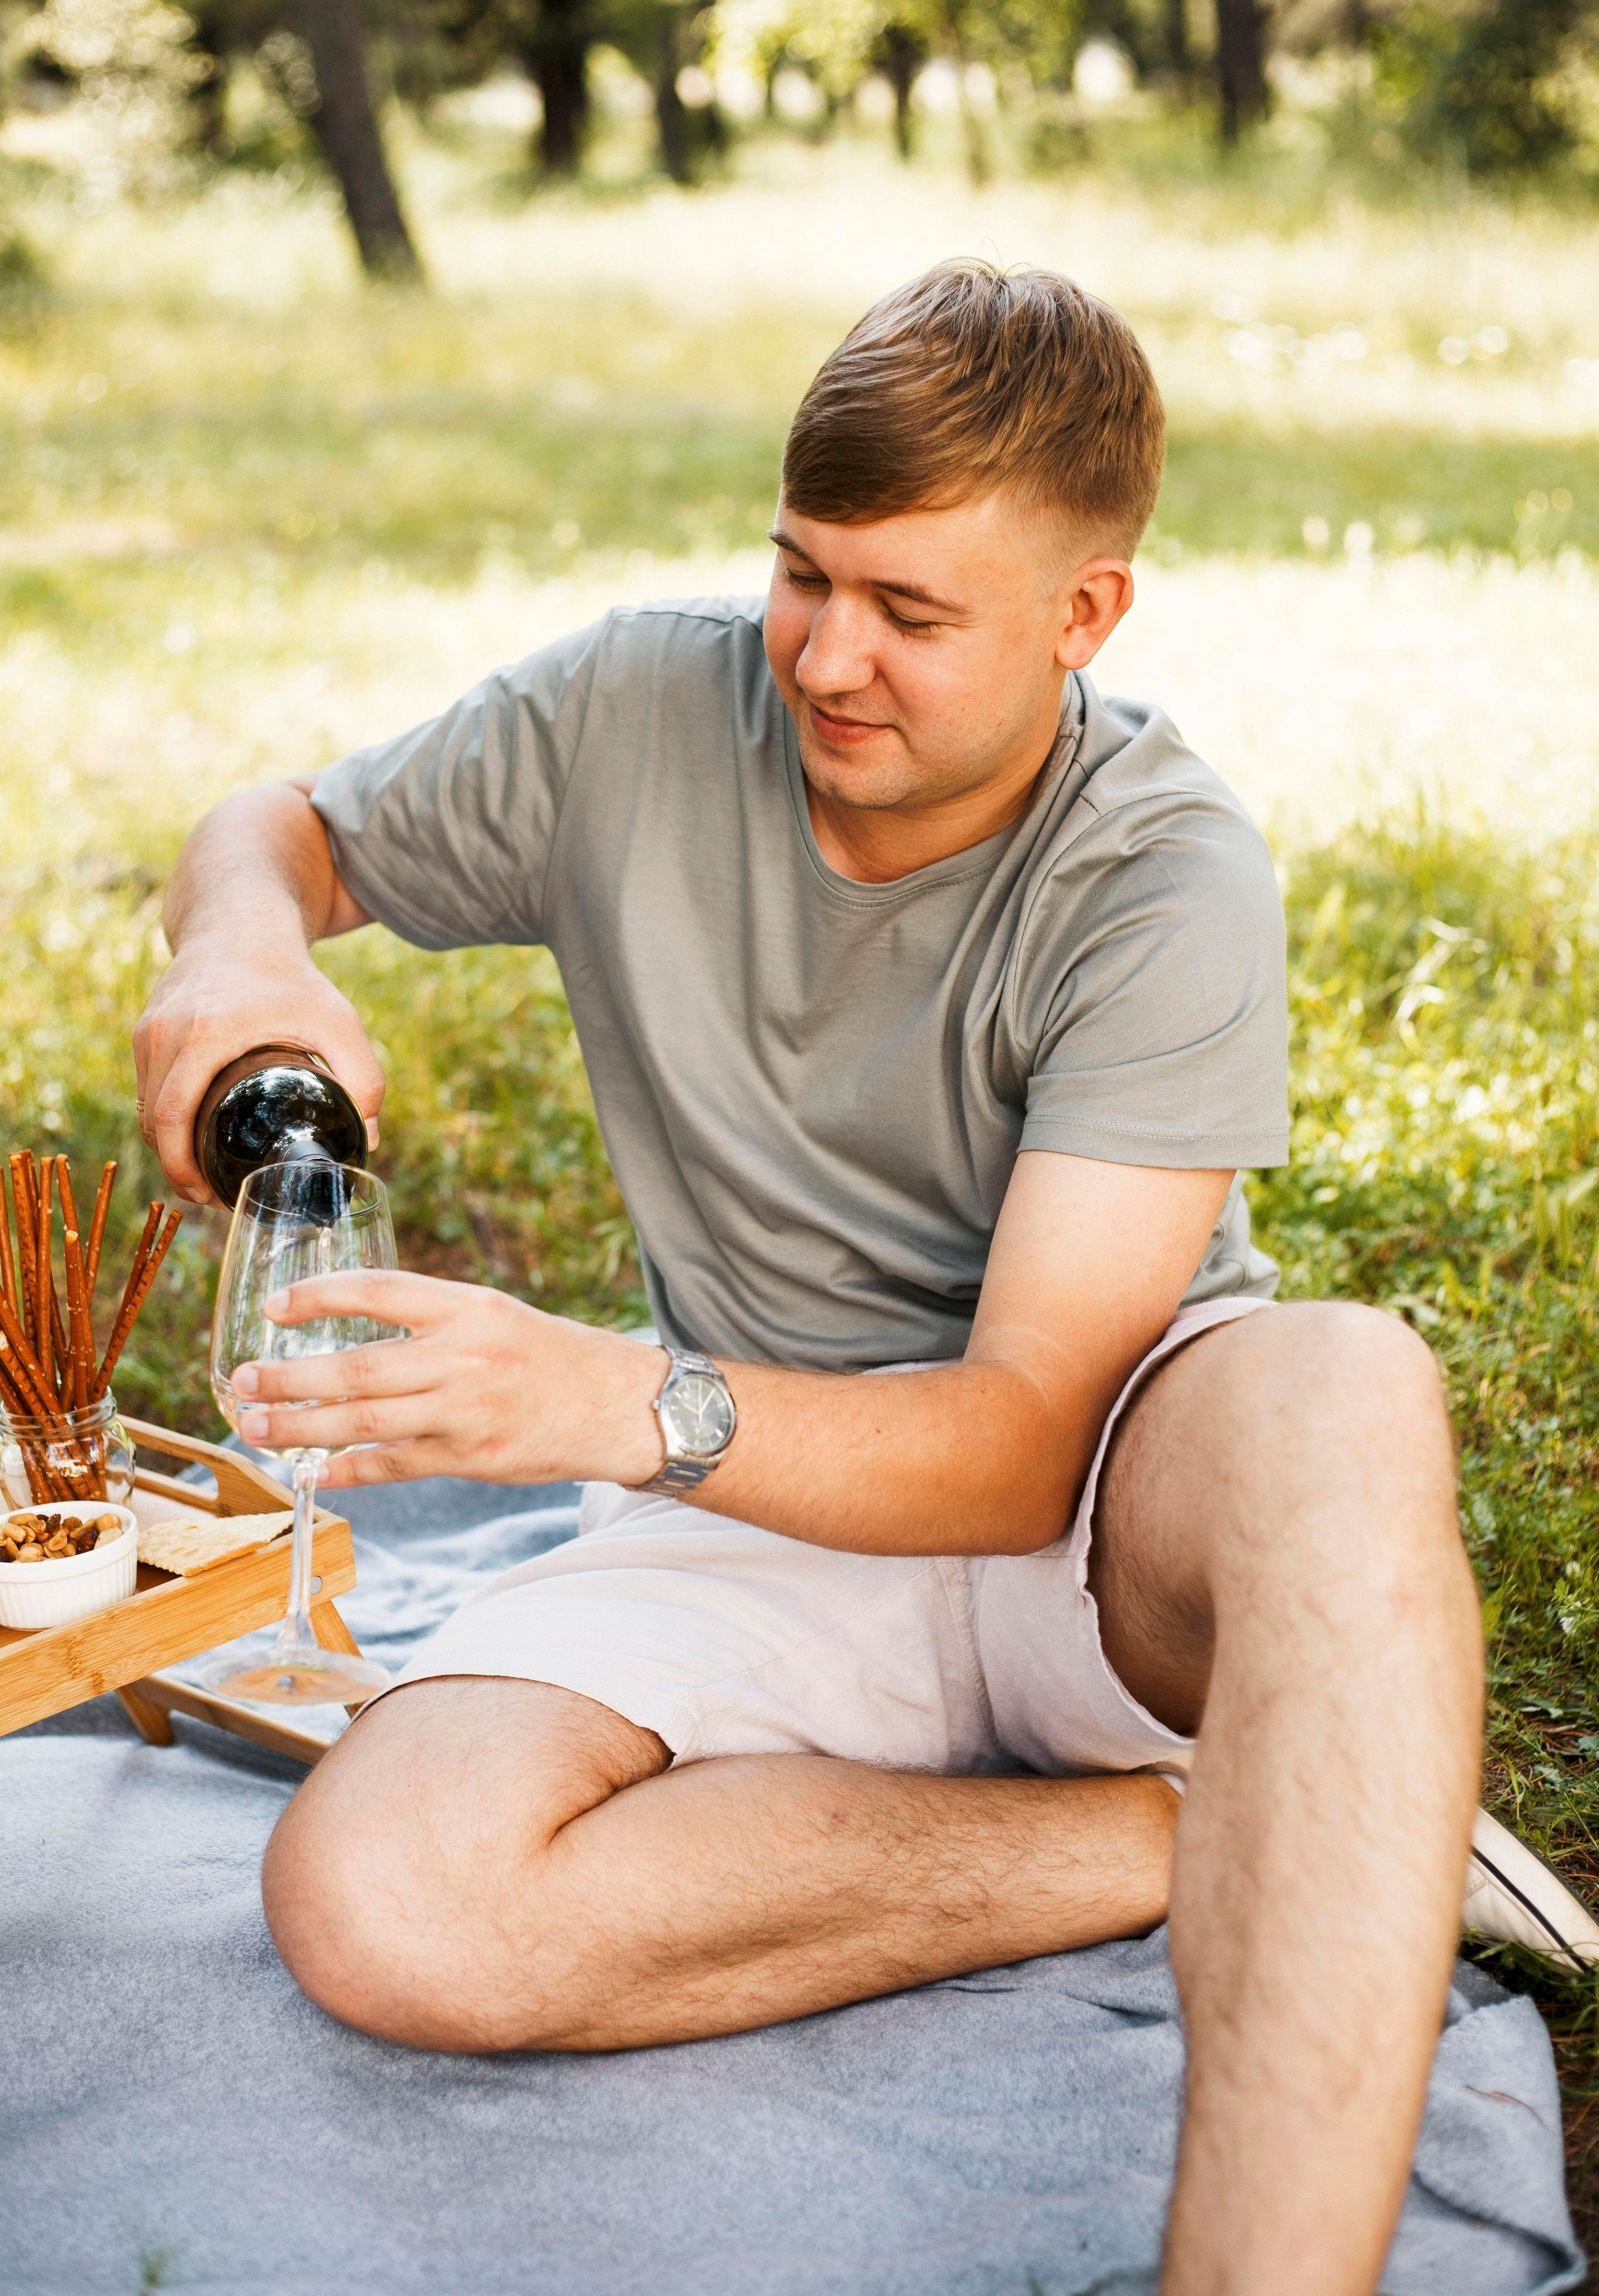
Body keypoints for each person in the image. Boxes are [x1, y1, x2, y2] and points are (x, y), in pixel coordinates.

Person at [136, 261, 1593, 2295]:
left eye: (914, 612)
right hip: (761, 1502)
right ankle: (1271, 1827)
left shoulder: (1163, 871)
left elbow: (1012, 1453)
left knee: (1346, 1392)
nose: (827, 657)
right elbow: (282, 826)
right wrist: (240, 949)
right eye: (803, 573)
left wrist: (597, 1404)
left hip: (1091, 1490)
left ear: (1086, 615)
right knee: (386, 1904)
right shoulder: (635, 711)